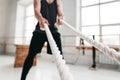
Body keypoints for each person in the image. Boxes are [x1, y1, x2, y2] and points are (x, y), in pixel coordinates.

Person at [20, 0, 64, 80]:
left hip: (53, 30)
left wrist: (61, 17)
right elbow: (36, 10)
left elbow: (60, 11)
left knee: (60, 57)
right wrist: (41, 19)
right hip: (40, 29)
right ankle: (22, 78)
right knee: (30, 56)